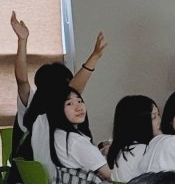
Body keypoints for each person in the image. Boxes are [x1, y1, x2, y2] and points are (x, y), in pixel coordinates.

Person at [11, 10, 106, 161]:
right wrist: (22, 41)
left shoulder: (61, 110)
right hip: (50, 181)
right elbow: (22, 80)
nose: (74, 99)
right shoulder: (35, 108)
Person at [37, 87, 112, 184]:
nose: (79, 107)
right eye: (69, 104)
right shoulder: (76, 141)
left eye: (79, 101)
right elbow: (109, 175)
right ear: (57, 109)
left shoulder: (58, 135)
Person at [106, 95, 159, 183]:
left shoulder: (123, 149)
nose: (159, 120)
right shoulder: (142, 151)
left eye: (158, 115)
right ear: (138, 123)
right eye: (154, 117)